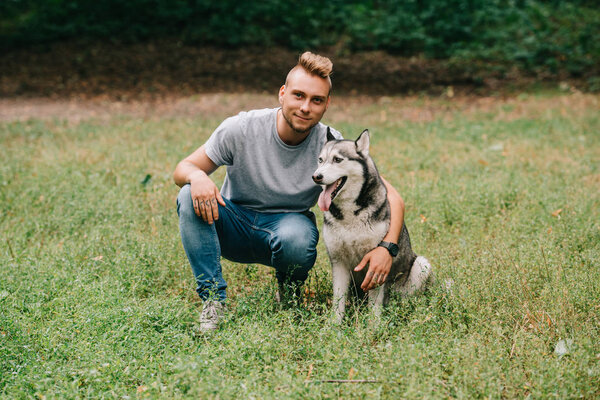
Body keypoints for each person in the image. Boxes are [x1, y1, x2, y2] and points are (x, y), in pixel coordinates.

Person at [173, 52, 405, 332]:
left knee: (298, 236)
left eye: (316, 100)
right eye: (298, 95)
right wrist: (197, 176)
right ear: (282, 94)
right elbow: (182, 168)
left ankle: (290, 292)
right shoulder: (241, 128)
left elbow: (391, 195)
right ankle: (213, 301)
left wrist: (387, 247)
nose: (305, 107)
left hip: (286, 232)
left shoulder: (330, 144)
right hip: (233, 225)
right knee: (188, 195)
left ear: (326, 104)